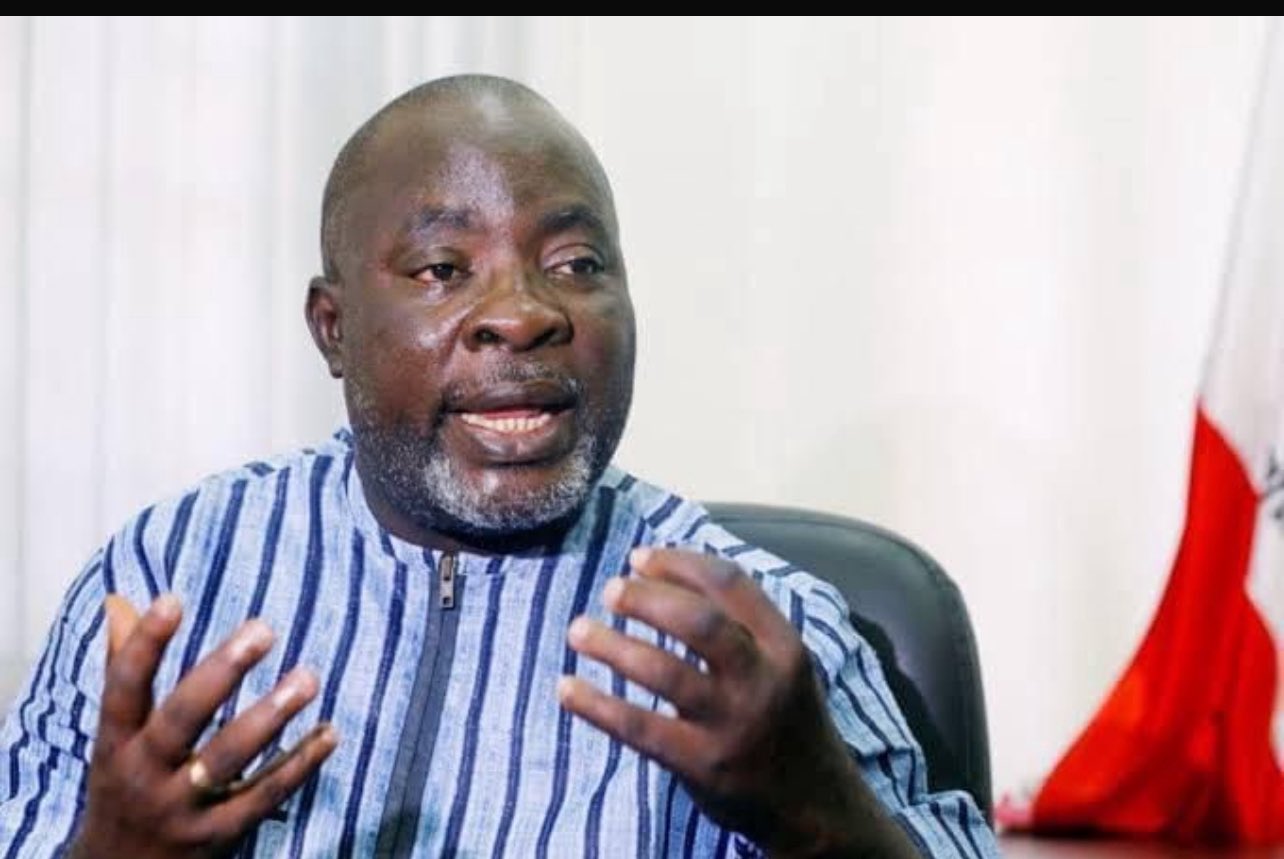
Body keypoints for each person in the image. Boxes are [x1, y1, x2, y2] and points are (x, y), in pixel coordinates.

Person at [0, 75, 998, 858]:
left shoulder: (762, 636)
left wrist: (821, 810)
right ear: (333, 328)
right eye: (444, 269)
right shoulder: (169, 575)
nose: (522, 314)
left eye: (575, 265)